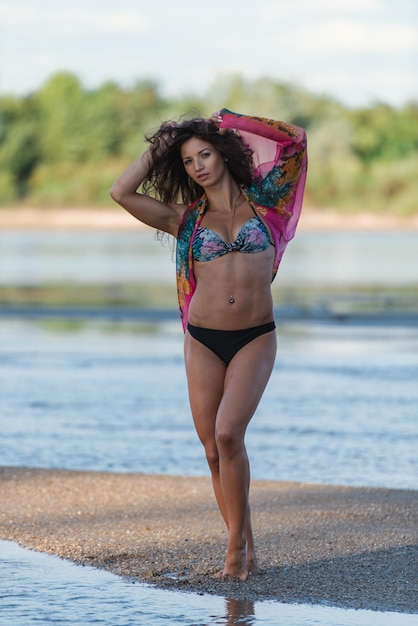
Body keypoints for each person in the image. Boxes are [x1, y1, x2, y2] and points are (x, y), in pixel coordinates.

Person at [110, 108, 307, 580]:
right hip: (202, 339)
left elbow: (295, 141)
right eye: (187, 160)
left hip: (255, 336)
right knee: (214, 450)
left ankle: (235, 549)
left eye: (204, 154)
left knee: (228, 433)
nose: (198, 165)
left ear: (222, 154)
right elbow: (120, 192)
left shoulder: (270, 207)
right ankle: (247, 548)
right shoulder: (185, 220)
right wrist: (165, 143)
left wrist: (227, 119)